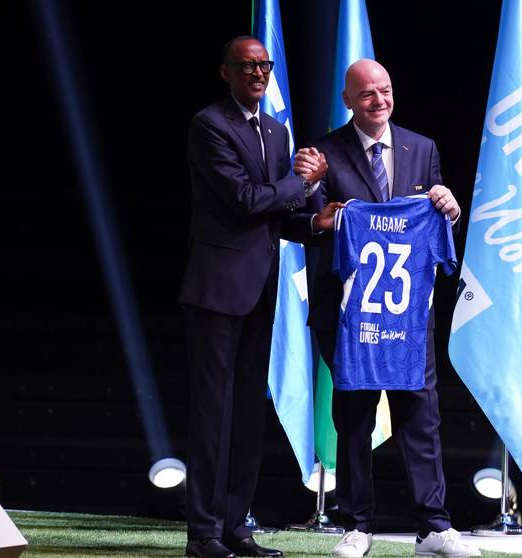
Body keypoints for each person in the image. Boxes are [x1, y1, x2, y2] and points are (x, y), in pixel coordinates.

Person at [310, 59, 481, 557]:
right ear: (349, 100)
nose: (379, 100)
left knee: (420, 417)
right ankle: (357, 526)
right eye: (367, 94)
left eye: (385, 90)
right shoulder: (325, 151)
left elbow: (436, 220)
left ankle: (433, 527)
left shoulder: (421, 147)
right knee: (355, 418)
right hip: (347, 316)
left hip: (407, 316)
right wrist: (326, 219)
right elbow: (305, 220)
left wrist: (448, 205)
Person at [178, 36, 328, 558]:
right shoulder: (210, 125)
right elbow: (244, 201)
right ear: (226, 73)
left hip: (261, 291)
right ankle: (203, 533)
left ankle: (236, 526)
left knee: (246, 415)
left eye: (264, 65)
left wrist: (316, 219)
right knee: (212, 415)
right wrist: (301, 180)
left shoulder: (275, 130)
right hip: (217, 291)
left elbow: (276, 215)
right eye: (248, 66)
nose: (259, 73)